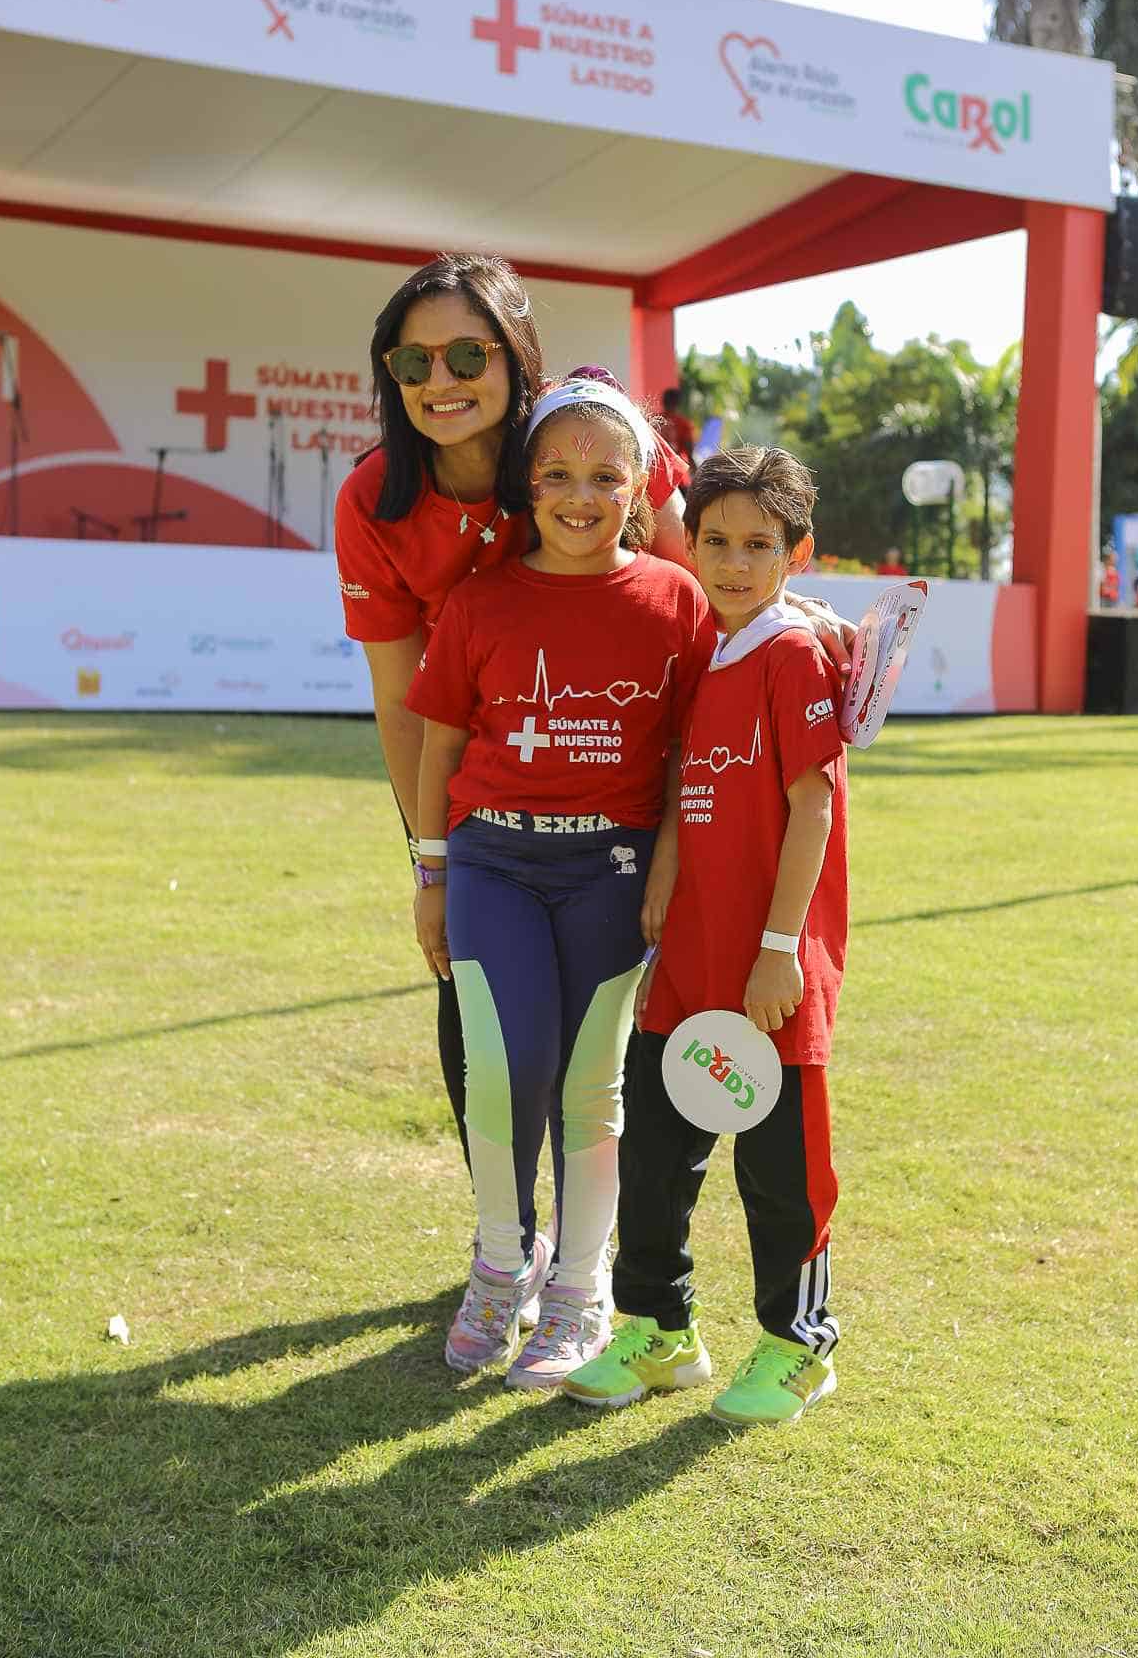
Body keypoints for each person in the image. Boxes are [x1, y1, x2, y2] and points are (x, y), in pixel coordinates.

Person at [334, 256, 694, 1168]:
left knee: (613, 1011)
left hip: (618, 794)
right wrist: (432, 862)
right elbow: (401, 702)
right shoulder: (374, 500)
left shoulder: (581, 444)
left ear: (513, 355)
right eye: (411, 365)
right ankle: (506, 1235)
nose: (440, 382)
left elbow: (706, 586)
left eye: (464, 355)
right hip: (474, 798)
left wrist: (797, 616)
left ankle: (594, 1240)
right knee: (475, 1004)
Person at [406, 380, 713, 1386]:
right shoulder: (479, 600)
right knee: (505, 1068)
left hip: (611, 868)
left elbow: (691, 749)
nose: (580, 496)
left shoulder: (677, 600)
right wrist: (430, 874)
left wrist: (664, 861)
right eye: (557, 475)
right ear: (525, 485)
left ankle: (578, 1292)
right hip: (493, 858)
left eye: (604, 475)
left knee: (592, 1085)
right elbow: (439, 739)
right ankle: (504, 1263)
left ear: (638, 489)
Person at [565, 446, 847, 1429]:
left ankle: (797, 1346)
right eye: (715, 540)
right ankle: (659, 1329)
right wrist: (667, 887)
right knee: (655, 1153)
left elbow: (810, 806)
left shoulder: (791, 651)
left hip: (769, 967)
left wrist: (779, 946)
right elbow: (690, 779)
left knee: (778, 1173)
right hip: (684, 959)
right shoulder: (710, 650)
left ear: (794, 553)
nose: (732, 562)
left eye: (757, 545)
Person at [657, 385, 696, 468]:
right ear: (678, 403)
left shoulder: (653, 420)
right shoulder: (684, 423)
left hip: (656, 467)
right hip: (675, 468)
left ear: (663, 401)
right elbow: (689, 448)